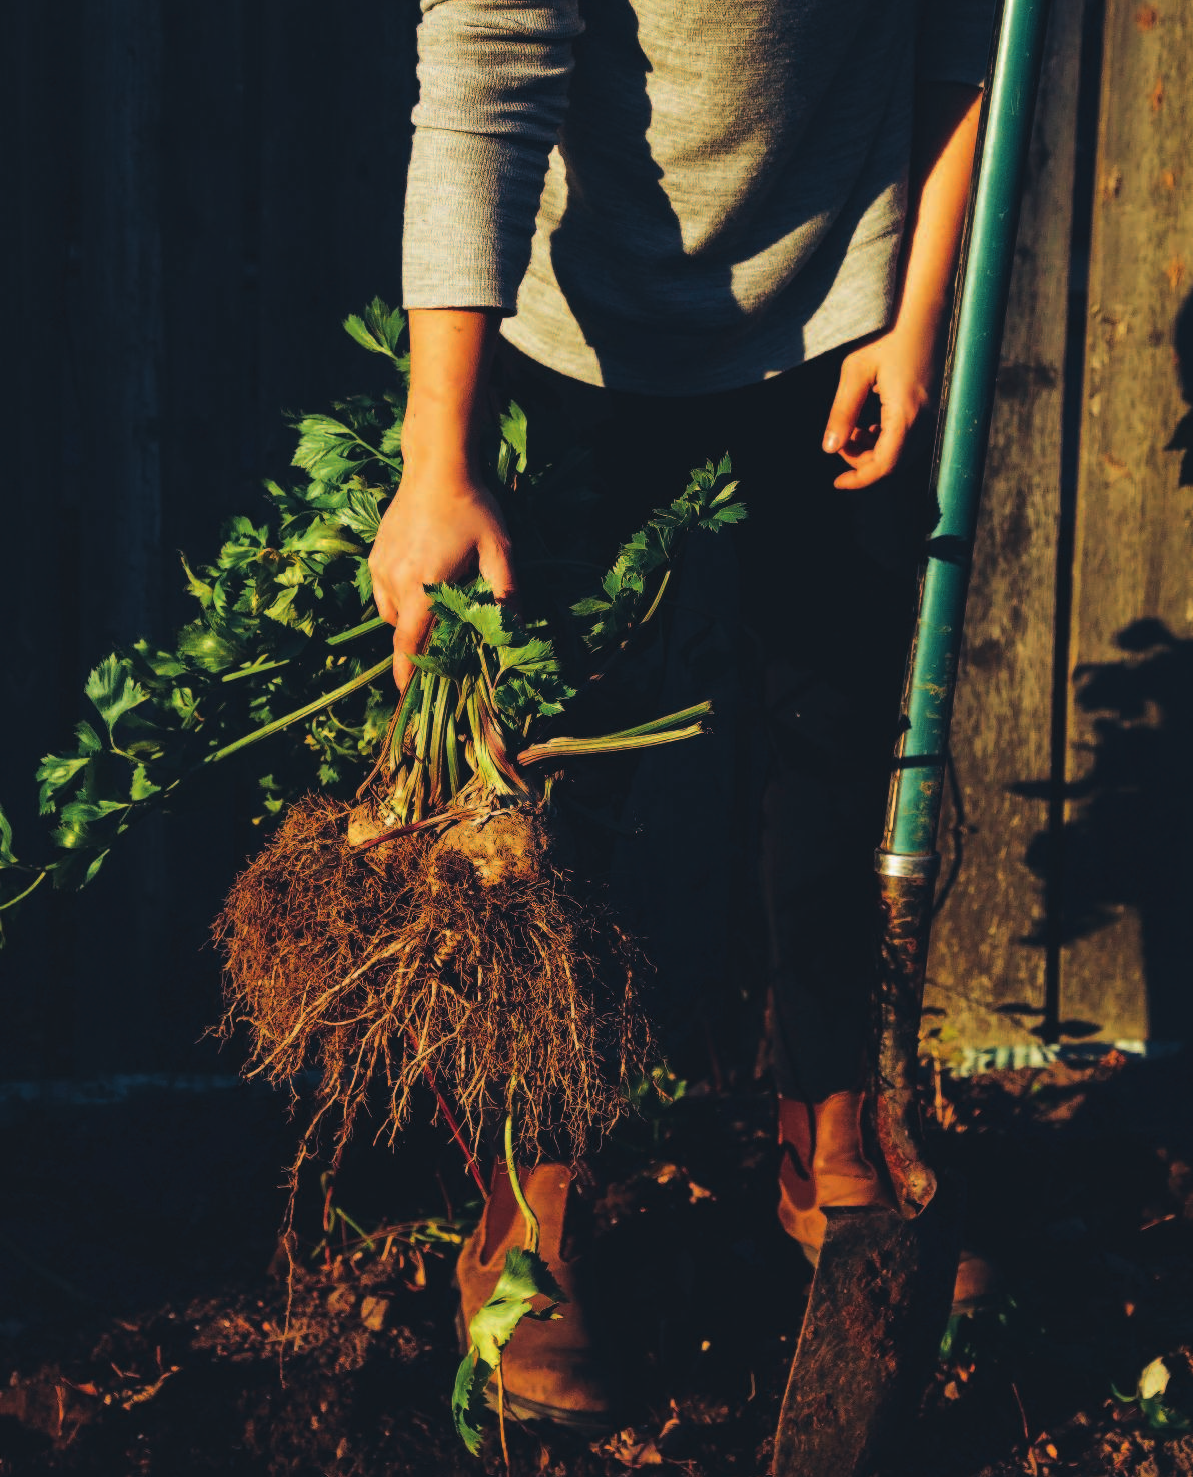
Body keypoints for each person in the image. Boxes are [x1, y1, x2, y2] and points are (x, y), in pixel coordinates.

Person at [370, 0, 996, 1430]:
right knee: (555, 793)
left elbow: (956, 44)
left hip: (842, 304)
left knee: (834, 731)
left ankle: (827, 1111)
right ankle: (536, 1198)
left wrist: (913, 317)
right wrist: (438, 451)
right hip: (580, 334)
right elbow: (484, 80)